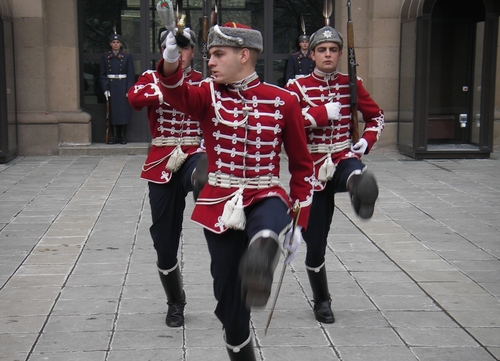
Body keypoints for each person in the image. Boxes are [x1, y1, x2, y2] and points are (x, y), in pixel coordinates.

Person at [157, 23, 315, 360]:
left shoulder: (283, 100)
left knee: (269, 217)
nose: (210, 62)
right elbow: (173, 91)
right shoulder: (206, 94)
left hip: (265, 193)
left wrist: (300, 222)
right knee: (229, 300)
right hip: (220, 202)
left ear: (243, 55)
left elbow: (302, 166)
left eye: (218, 55)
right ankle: (240, 343)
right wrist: (171, 57)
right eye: (210, 55)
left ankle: (265, 246)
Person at [286, 25, 384, 324]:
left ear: (341, 54)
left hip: (343, 156)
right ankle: (321, 300)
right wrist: (319, 115)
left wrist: (367, 140)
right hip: (312, 169)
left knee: (355, 171)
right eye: (322, 50)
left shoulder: (351, 83)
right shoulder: (297, 87)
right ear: (311, 54)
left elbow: (376, 116)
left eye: (333, 50)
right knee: (316, 244)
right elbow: (287, 125)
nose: (327, 55)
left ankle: (360, 192)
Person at [127, 29, 204, 328]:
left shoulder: (204, 80)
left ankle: (210, 195)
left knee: (201, 172)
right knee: (164, 242)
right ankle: (175, 300)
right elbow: (134, 99)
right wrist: (167, 88)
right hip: (162, 161)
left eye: (184, 48)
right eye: (172, 48)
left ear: (193, 51)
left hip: (194, 153)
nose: (179, 53)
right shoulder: (151, 77)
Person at [99, 33, 135, 144]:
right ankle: (114, 136)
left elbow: (130, 74)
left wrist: (128, 89)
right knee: (113, 112)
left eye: (118, 42)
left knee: (123, 112)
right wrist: (105, 89)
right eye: (113, 42)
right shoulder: (105, 56)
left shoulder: (127, 56)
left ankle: (122, 136)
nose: (115, 44)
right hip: (112, 86)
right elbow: (102, 75)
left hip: (122, 85)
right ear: (110, 44)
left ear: (121, 44)